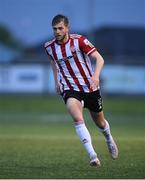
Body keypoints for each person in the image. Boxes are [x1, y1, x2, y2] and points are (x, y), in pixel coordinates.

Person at [44, 14, 118, 167]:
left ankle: (109, 139)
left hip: (89, 86)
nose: (57, 31)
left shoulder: (80, 41)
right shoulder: (49, 47)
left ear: (67, 28)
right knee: (78, 119)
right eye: (54, 29)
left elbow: (100, 59)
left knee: (100, 122)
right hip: (69, 87)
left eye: (60, 28)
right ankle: (93, 155)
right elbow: (53, 62)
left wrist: (96, 77)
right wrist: (57, 81)